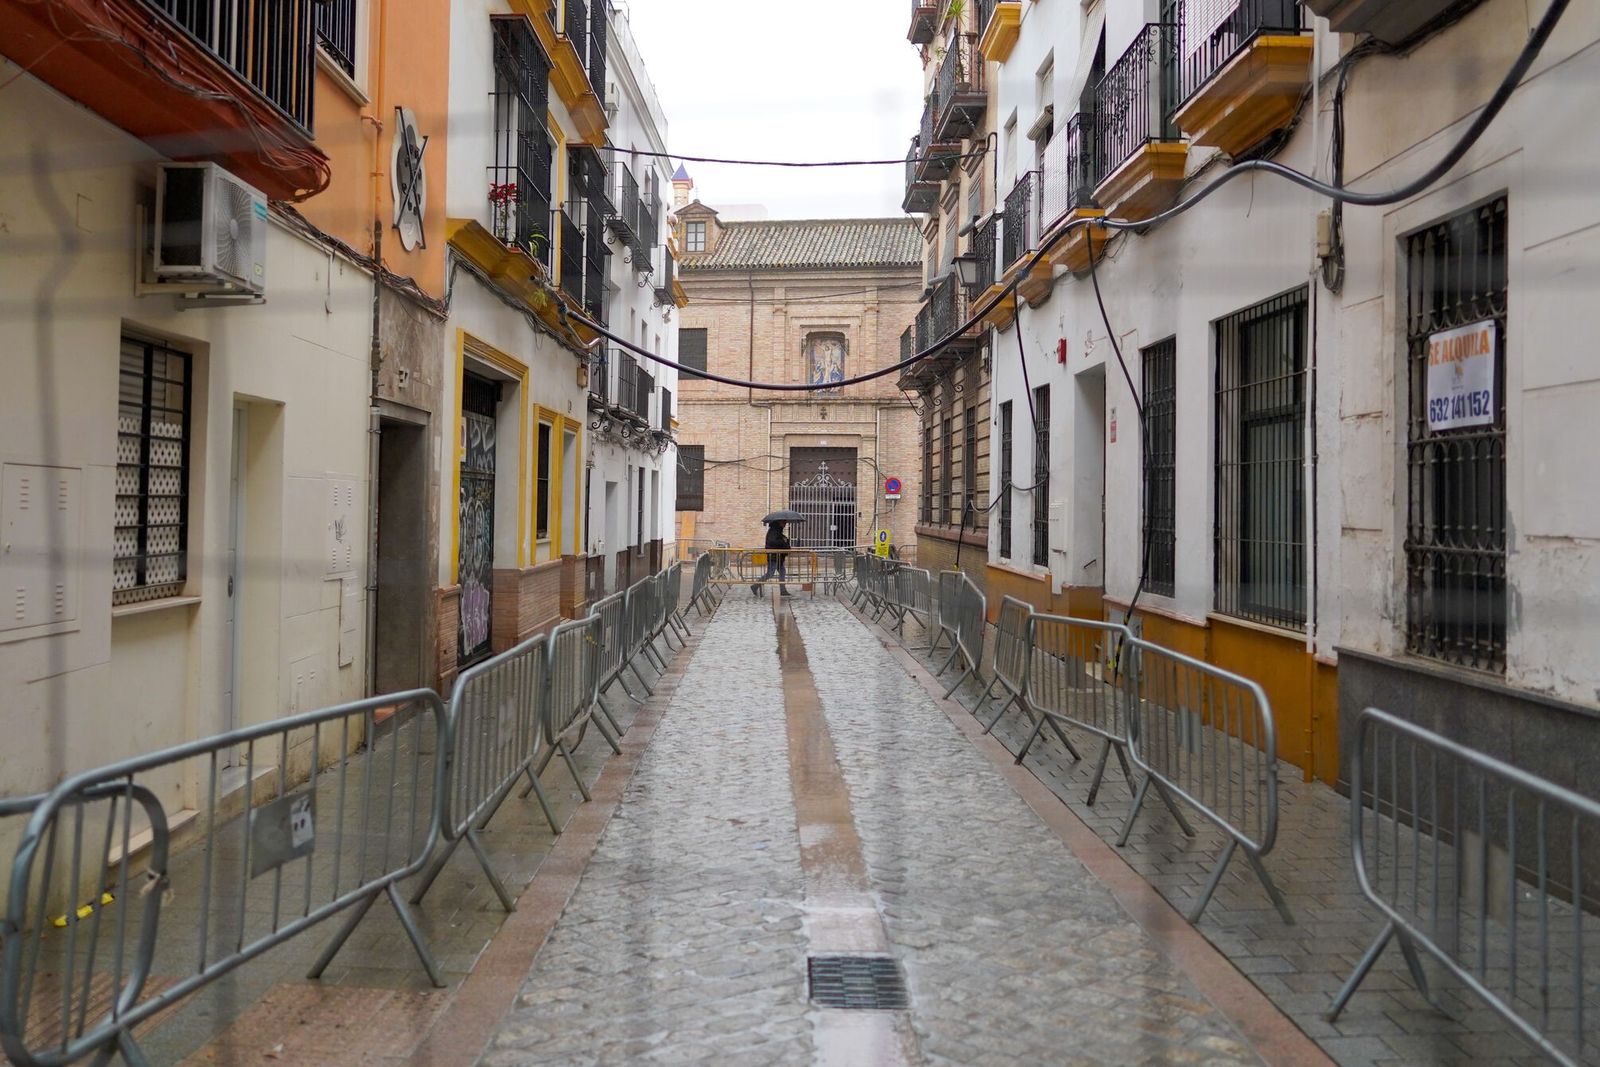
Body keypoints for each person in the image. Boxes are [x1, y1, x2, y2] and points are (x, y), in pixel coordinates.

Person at [753, 520, 792, 598]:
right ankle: (755, 586)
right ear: (779, 522)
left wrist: (784, 540)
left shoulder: (777, 531)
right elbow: (773, 542)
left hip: (778, 556)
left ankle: (783, 590)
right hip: (773, 556)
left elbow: (778, 541)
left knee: (782, 571)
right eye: (784, 522)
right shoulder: (774, 530)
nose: (785, 524)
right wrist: (783, 541)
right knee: (770, 573)